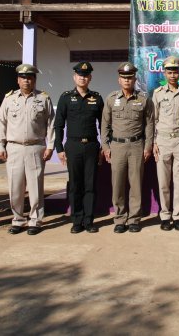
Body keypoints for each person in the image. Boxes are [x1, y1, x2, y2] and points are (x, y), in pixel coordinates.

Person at [0, 63, 55, 236]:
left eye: (29, 77)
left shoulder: (43, 99)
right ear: (18, 80)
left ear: (34, 80)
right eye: (23, 77)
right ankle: (18, 219)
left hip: (36, 147)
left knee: (36, 187)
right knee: (15, 186)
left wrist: (50, 146)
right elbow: (1, 124)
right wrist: (0, 145)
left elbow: (51, 125)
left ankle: (35, 219)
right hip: (14, 148)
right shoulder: (9, 99)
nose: (26, 80)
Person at [101, 62, 155, 233]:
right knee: (117, 184)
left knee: (136, 184)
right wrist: (105, 146)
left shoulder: (143, 99)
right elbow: (105, 125)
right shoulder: (111, 99)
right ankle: (119, 218)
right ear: (119, 80)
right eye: (124, 78)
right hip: (117, 146)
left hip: (137, 146)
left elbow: (149, 124)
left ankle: (134, 219)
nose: (127, 80)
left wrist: (148, 146)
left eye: (130, 77)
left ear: (134, 79)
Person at [53, 62, 104, 234]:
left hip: (91, 146)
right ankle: (76, 220)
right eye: (80, 74)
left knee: (90, 185)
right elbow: (58, 125)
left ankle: (89, 220)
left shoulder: (97, 98)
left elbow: (104, 125)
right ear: (74, 77)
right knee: (75, 185)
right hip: (72, 146)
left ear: (90, 77)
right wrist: (59, 148)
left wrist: (104, 147)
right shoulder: (66, 97)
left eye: (86, 75)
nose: (83, 77)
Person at [151, 56, 179, 231]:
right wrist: (153, 142)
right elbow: (153, 119)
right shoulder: (158, 93)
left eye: (175, 71)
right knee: (163, 181)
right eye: (169, 72)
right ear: (165, 73)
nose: (173, 75)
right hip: (162, 141)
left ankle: (178, 216)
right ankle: (165, 215)